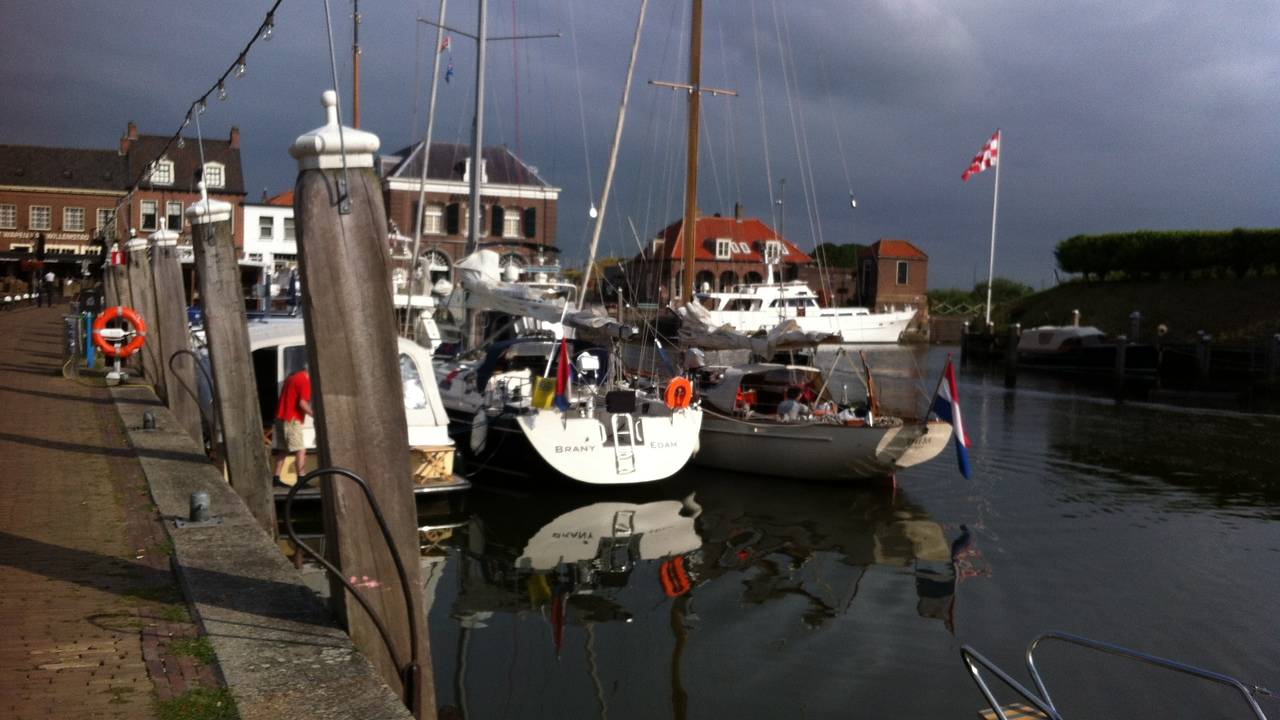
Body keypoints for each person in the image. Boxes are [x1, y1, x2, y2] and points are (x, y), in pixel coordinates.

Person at [273, 364, 313, 486]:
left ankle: (276, 479)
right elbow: (302, 403)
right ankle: (301, 480)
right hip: (292, 419)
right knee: (301, 449)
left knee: (283, 449)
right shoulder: (305, 380)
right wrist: (315, 414)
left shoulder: (292, 377)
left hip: (280, 417)